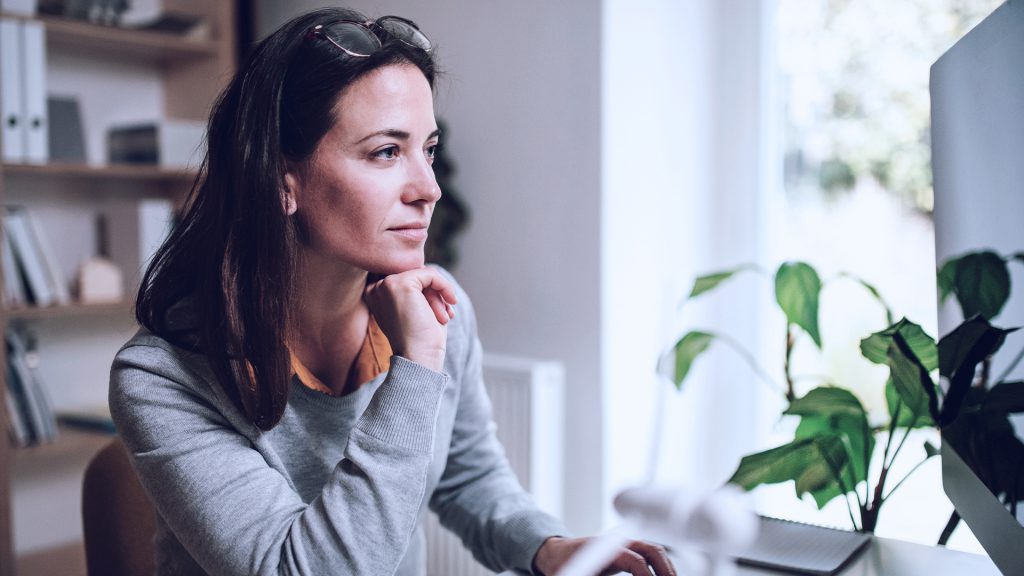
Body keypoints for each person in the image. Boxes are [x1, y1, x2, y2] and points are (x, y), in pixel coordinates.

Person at [109, 7, 675, 575]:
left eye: (427, 150)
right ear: (285, 183)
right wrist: (417, 368)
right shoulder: (160, 377)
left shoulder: (436, 308)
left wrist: (546, 547)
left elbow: (466, 475)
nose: (428, 189)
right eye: (385, 151)